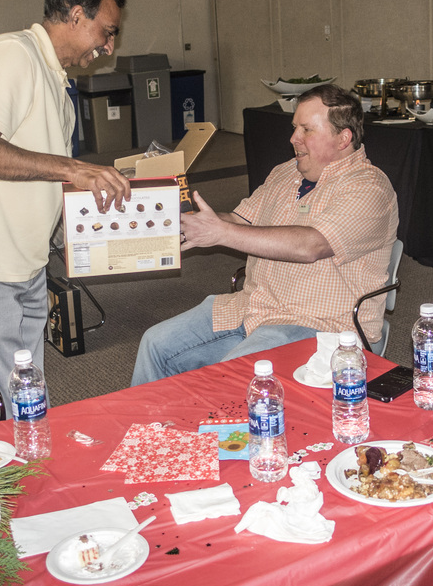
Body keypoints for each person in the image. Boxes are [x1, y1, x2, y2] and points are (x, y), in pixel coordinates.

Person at [0, 0, 132, 392]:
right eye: (108, 32)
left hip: (26, 262)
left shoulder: (55, 77)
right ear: (77, 15)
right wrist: (74, 169)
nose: (109, 46)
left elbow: (40, 173)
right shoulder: (13, 55)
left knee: (26, 387)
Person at [131, 83, 398, 386]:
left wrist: (222, 232)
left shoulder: (369, 189)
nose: (293, 138)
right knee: (155, 344)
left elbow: (311, 245)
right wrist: (180, 221)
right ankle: (151, 419)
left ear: (343, 138)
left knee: (234, 379)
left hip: (320, 325)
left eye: (306, 130)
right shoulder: (285, 173)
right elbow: (238, 220)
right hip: (253, 307)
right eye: (295, 127)